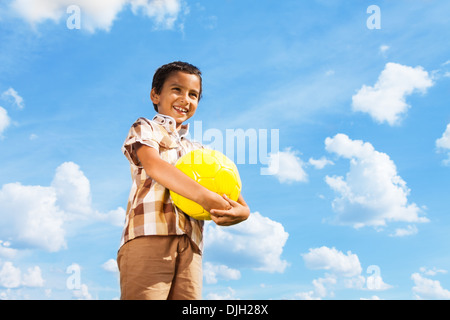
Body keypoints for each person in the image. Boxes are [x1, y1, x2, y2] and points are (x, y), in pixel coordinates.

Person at [117, 61, 250, 300]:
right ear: (155, 94)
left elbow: (231, 193)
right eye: (176, 89)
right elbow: (155, 165)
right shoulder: (145, 128)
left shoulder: (198, 151)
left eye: (193, 94)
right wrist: (204, 197)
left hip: (191, 246)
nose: (185, 99)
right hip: (149, 236)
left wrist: (243, 212)